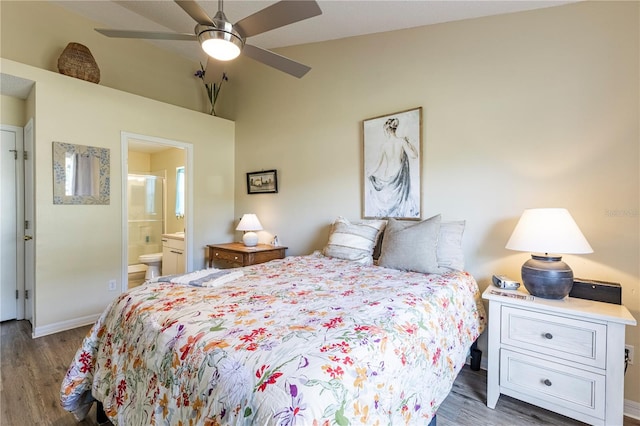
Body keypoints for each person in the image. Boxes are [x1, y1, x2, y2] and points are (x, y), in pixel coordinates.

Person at [367, 117, 419, 218]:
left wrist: (369, 173)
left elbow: (378, 164)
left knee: (388, 207)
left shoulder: (384, 145)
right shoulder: (402, 142)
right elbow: (414, 155)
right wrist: (410, 143)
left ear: (386, 130)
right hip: (398, 176)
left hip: (388, 176)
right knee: (398, 209)